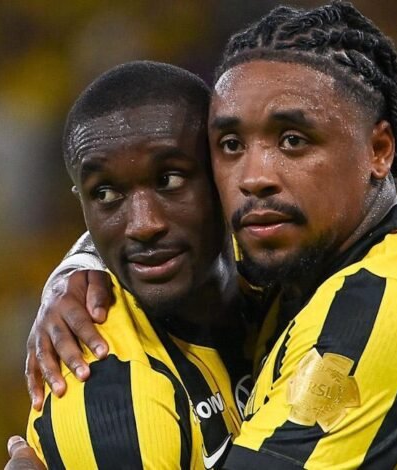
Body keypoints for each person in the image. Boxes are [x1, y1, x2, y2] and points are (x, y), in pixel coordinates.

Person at [17, 2, 397, 468]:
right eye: (231, 145)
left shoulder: (387, 301)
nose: (254, 176)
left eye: (293, 140)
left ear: (379, 150)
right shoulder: (336, 255)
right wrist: (81, 263)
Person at [20, 61, 255, 469]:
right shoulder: (112, 395)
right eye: (106, 194)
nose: (144, 225)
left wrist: (78, 261)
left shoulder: (282, 267)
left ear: (222, 171)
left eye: (169, 180)